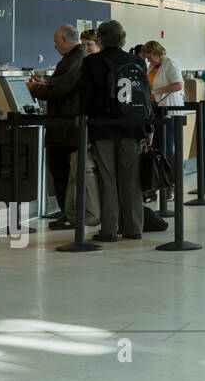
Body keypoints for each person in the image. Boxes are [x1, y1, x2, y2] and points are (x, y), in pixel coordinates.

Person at [77, 20, 149, 241]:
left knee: (107, 178)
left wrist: (85, 130)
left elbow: (85, 99)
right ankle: (134, 227)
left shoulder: (92, 63)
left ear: (100, 38)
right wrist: (147, 128)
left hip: (103, 128)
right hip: (131, 127)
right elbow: (144, 97)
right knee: (131, 179)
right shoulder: (137, 61)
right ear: (122, 37)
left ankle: (109, 229)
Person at [27, 24, 85, 229]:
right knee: (65, 173)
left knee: (62, 173)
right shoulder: (78, 58)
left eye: (55, 41)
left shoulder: (75, 60)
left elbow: (58, 90)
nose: (54, 45)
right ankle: (68, 213)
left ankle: (69, 215)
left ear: (65, 39)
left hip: (65, 129)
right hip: (69, 127)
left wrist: (35, 88)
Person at [143, 40, 184, 173]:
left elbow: (179, 85)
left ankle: (171, 179)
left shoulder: (170, 64)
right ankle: (159, 178)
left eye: (150, 57)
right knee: (156, 146)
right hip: (156, 110)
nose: (149, 61)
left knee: (167, 146)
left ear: (156, 53)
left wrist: (155, 91)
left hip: (169, 111)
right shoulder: (152, 67)